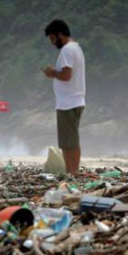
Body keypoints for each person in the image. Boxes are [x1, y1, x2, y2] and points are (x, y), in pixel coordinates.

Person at [41, 19, 86, 176]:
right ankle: (74, 171)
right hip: (75, 100)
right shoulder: (76, 48)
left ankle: (71, 172)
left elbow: (66, 75)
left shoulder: (67, 50)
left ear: (60, 34)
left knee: (68, 142)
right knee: (72, 140)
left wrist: (52, 72)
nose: (52, 43)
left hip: (68, 102)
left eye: (53, 38)